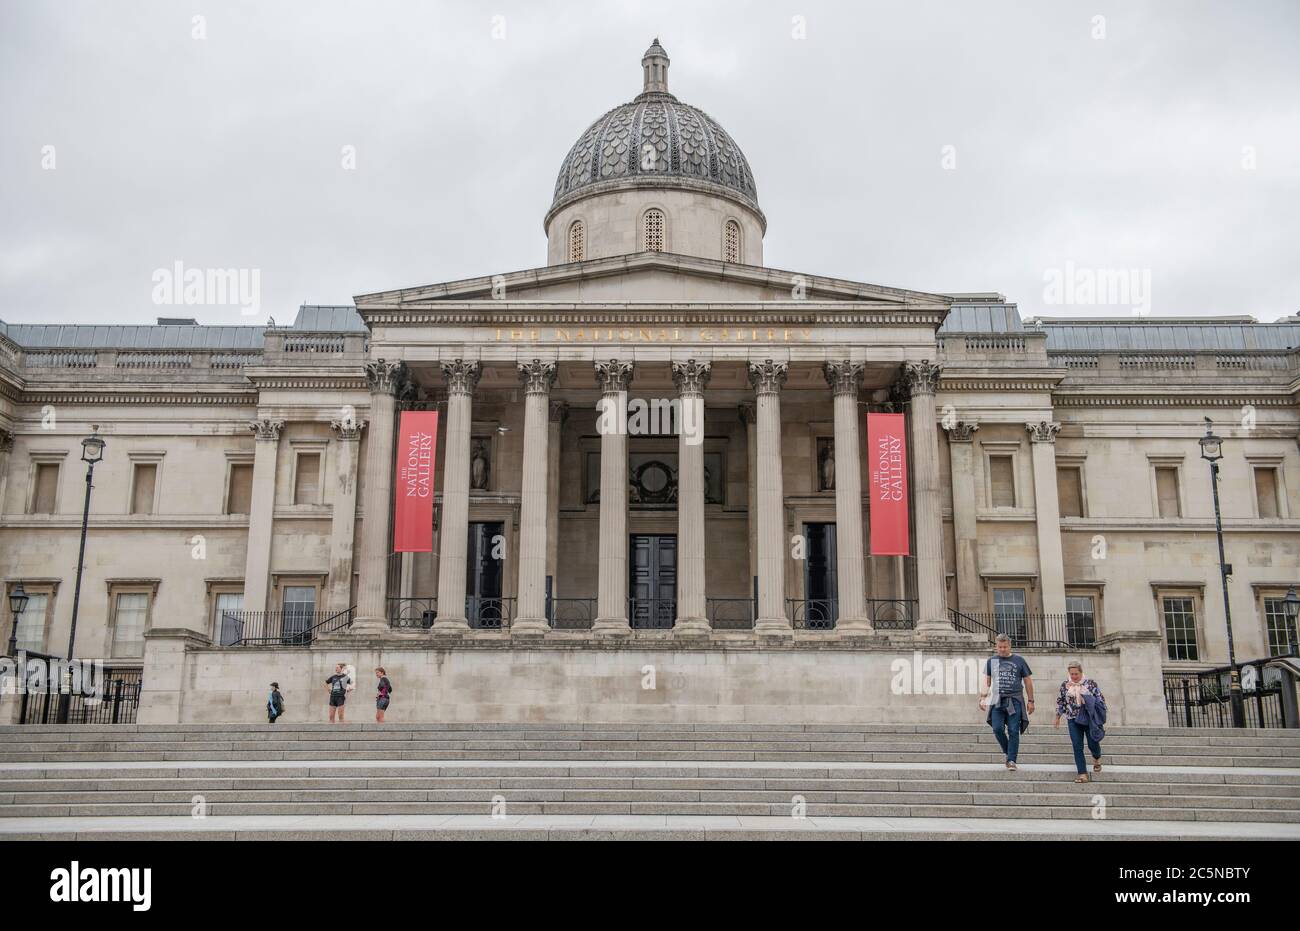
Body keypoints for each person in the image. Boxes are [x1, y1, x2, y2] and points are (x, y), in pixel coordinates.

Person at [979, 633, 1035, 770]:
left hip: (1015, 700)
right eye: (1000, 647)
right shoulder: (991, 661)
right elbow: (987, 680)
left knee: (1013, 730)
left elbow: (1027, 681)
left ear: (1009, 646)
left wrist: (1031, 700)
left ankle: (1011, 760)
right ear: (996, 647)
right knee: (997, 728)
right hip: (997, 700)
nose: (1002, 649)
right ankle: (1008, 752)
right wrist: (983, 697)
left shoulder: (1019, 660)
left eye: (1005, 646)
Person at [1055, 661, 1106, 782]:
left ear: (1081, 672)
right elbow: (1061, 701)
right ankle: (1082, 773)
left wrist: (1088, 699)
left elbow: (1100, 699)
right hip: (1073, 719)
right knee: (1077, 746)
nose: (1074, 676)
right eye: (1071, 674)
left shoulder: (1090, 684)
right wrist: (1057, 717)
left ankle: (1096, 757)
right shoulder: (1065, 685)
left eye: (1076, 674)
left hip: (1089, 718)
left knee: (1092, 743)